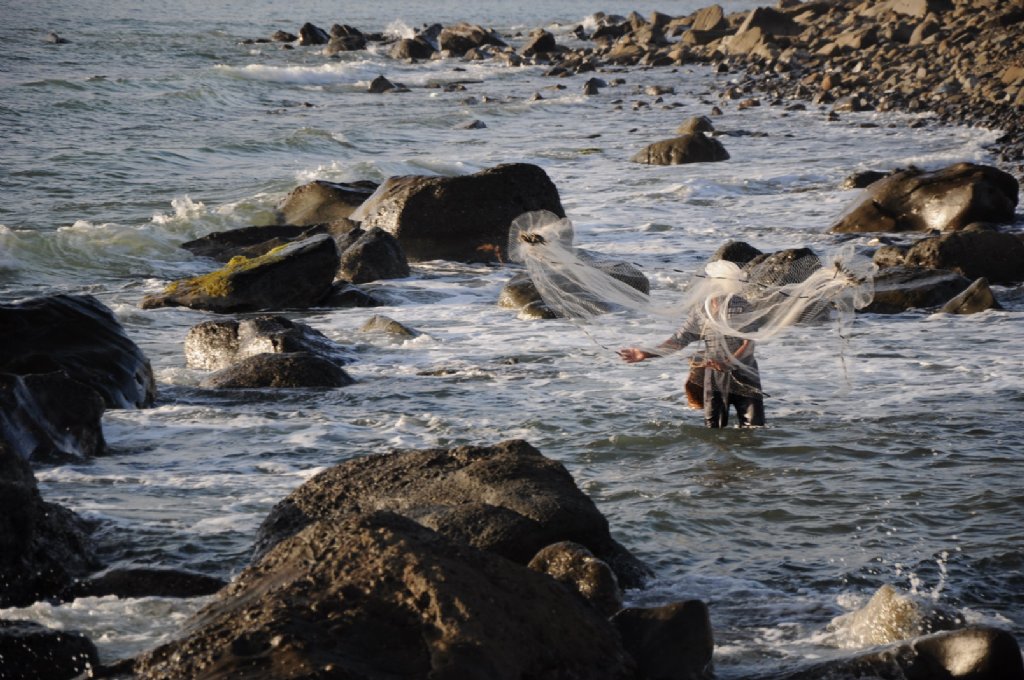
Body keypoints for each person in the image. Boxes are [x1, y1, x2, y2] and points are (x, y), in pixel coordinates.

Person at [618, 292, 766, 429]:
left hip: (745, 376)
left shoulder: (742, 306)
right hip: (714, 378)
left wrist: (728, 363)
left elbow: (749, 345)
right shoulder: (701, 310)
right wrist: (646, 353)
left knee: (754, 429)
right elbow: (678, 341)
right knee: (713, 431)